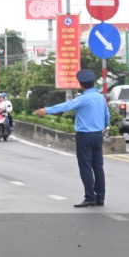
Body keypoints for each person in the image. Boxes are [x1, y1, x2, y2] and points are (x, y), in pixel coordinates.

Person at [33, 69, 111, 207]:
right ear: (93, 83)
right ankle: (100, 198)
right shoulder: (100, 98)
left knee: (85, 166)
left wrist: (46, 110)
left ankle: (90, 197)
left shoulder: (82, 99)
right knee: (98, 167)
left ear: (81, 84)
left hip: (84, 136)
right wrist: (106, 126)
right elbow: (107, 115)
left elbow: (66, 106)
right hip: (98, 135)